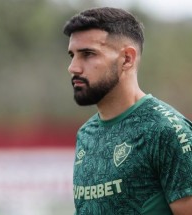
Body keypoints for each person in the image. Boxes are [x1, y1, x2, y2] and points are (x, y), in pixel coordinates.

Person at [63, 7, 192, 215]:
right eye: (72, 55)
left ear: (127, 59)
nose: (73, 67)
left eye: (88, 54)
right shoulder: (85, 134)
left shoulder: (167, 131)